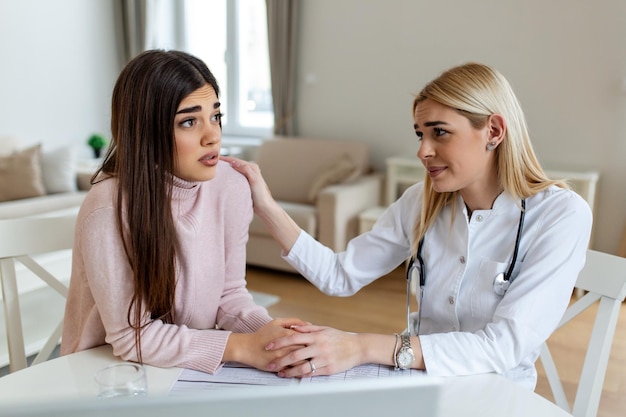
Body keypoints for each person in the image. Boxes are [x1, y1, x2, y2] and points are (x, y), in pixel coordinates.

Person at [224, 62, 592, 389]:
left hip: (496, 394)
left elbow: (504, 346)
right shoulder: (421, 201)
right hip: (417, 382)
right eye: (420, 134)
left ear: (493, 131)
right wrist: (266, 205)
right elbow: (339, 275)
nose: (423, 151)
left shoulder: (561, 216)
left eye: (440, 132)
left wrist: (359, 346)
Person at [61, 49, 304, 374]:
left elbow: (230, 295)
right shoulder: (108, 208)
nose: (213, 136)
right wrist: (241, 347)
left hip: (183, 367)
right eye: (189, 121)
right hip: (106, 376)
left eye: (215, 116)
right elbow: (129, 337)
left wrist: (276, 338)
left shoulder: (231, 186)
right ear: (145, 131)